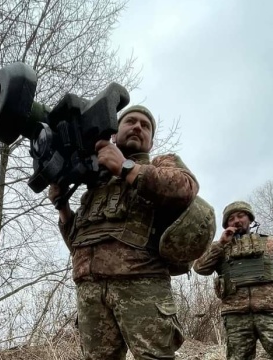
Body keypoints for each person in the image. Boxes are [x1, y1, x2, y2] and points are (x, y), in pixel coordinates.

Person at [48, 105, 200, 359]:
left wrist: (127, 168)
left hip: (142, 282)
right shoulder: (94, 182)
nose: (138, 126)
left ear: (150, 142)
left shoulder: (161, 164)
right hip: (89, 290)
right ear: (114, 133)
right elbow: (78, 244)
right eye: (130, 121)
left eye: (146, 125)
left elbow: (186, 187)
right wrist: (62, 207)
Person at [192, 201, 273, 360]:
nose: (236, 221)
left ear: (250, 219)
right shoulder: (220, 247)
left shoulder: (271, 242)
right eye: (231, 218)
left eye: (241, 216)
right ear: (226, 224)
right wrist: (221, 243)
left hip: (269, 312)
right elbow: (200, 268)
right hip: (235, 316)